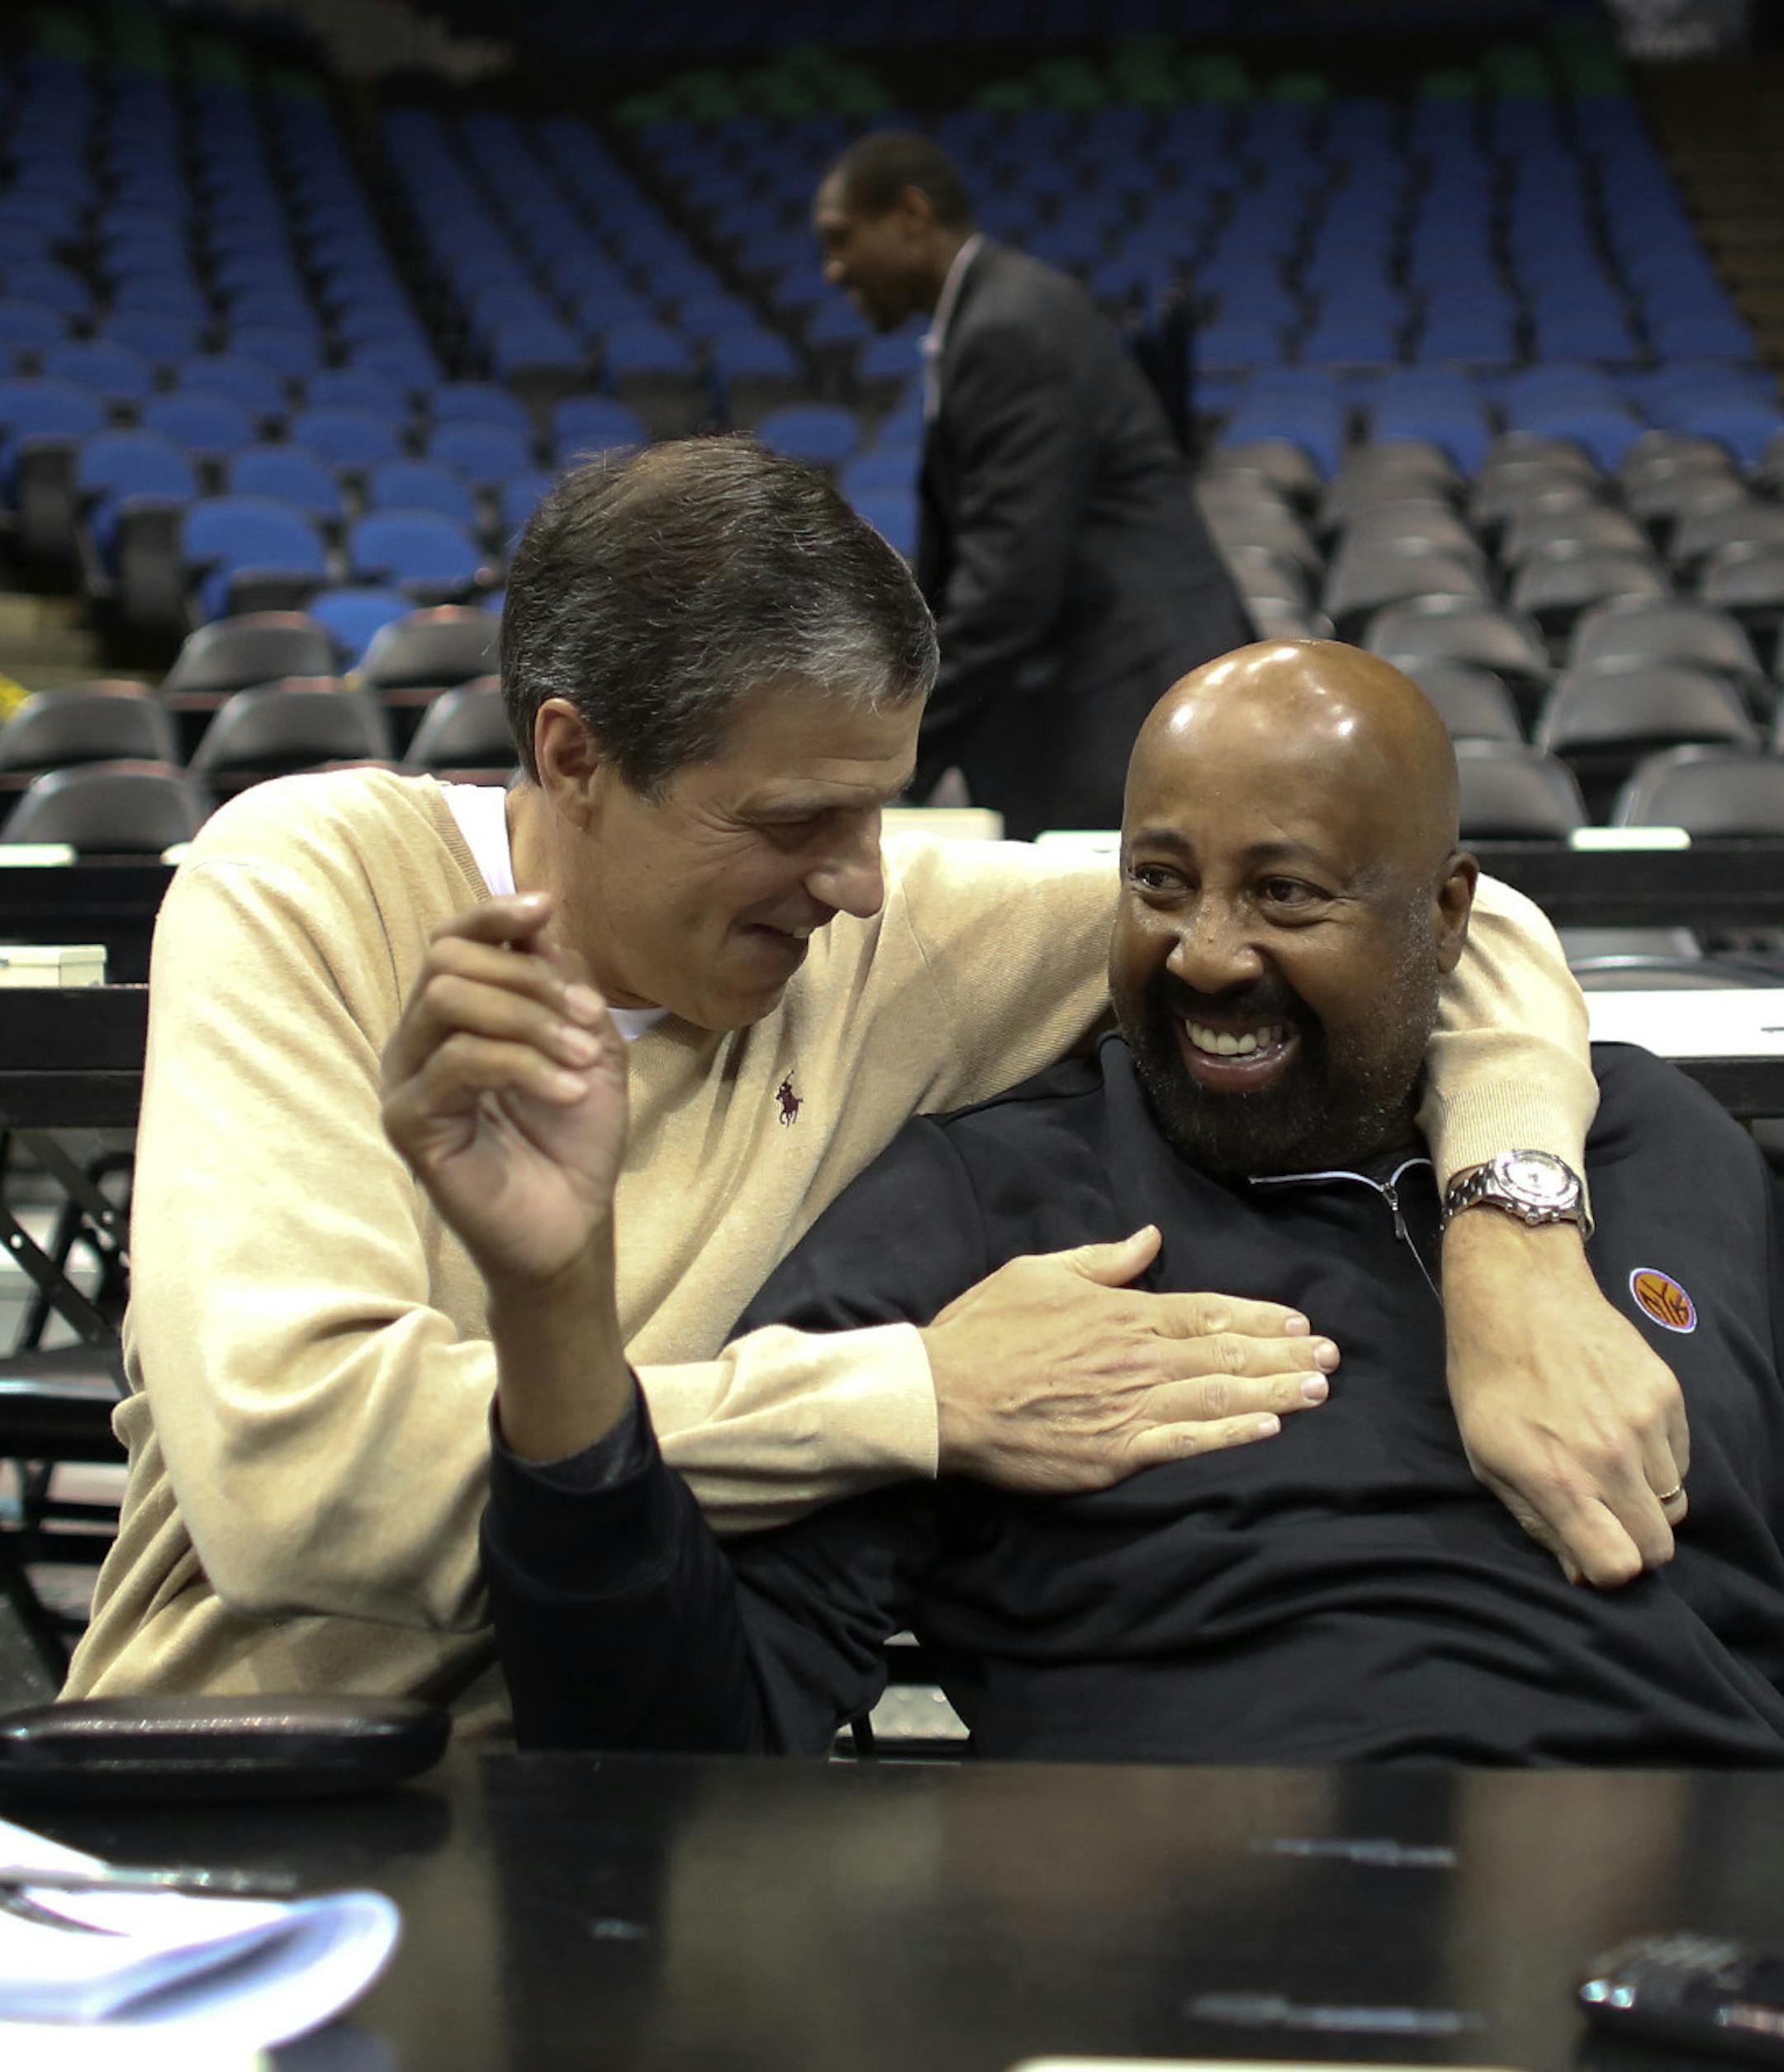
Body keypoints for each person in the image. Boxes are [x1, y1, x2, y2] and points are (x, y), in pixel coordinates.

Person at [68, 449, 1672, 1724]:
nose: (857, 887)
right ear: (568, 756)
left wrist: (1513, 1243)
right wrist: (910, 1399)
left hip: (649, 1790)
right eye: (789, 823)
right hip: (251, 1778)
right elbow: (299, 1484)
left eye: (879, 812)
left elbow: (1467, 925)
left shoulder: (876, 937)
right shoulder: (307, 886)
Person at [471, 641, 1783, 1766]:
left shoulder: (1661, 1149)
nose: (1206, 954)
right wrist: (556, 1316)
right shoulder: (979, 1202)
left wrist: (1519, 1242)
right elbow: (672, 1742)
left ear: (1447, 916)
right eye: (1158, 882)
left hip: (1688, 1898)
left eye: (1286, 893)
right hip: (1189, 1943)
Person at [813, 130, 1253, 838]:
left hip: (1118, 703)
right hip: (1100, 694)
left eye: (841, 239)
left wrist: (885, 751)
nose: (833, 270)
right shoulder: (997, 309)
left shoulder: (1006, 327)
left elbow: (1008, 587)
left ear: (910, 216)